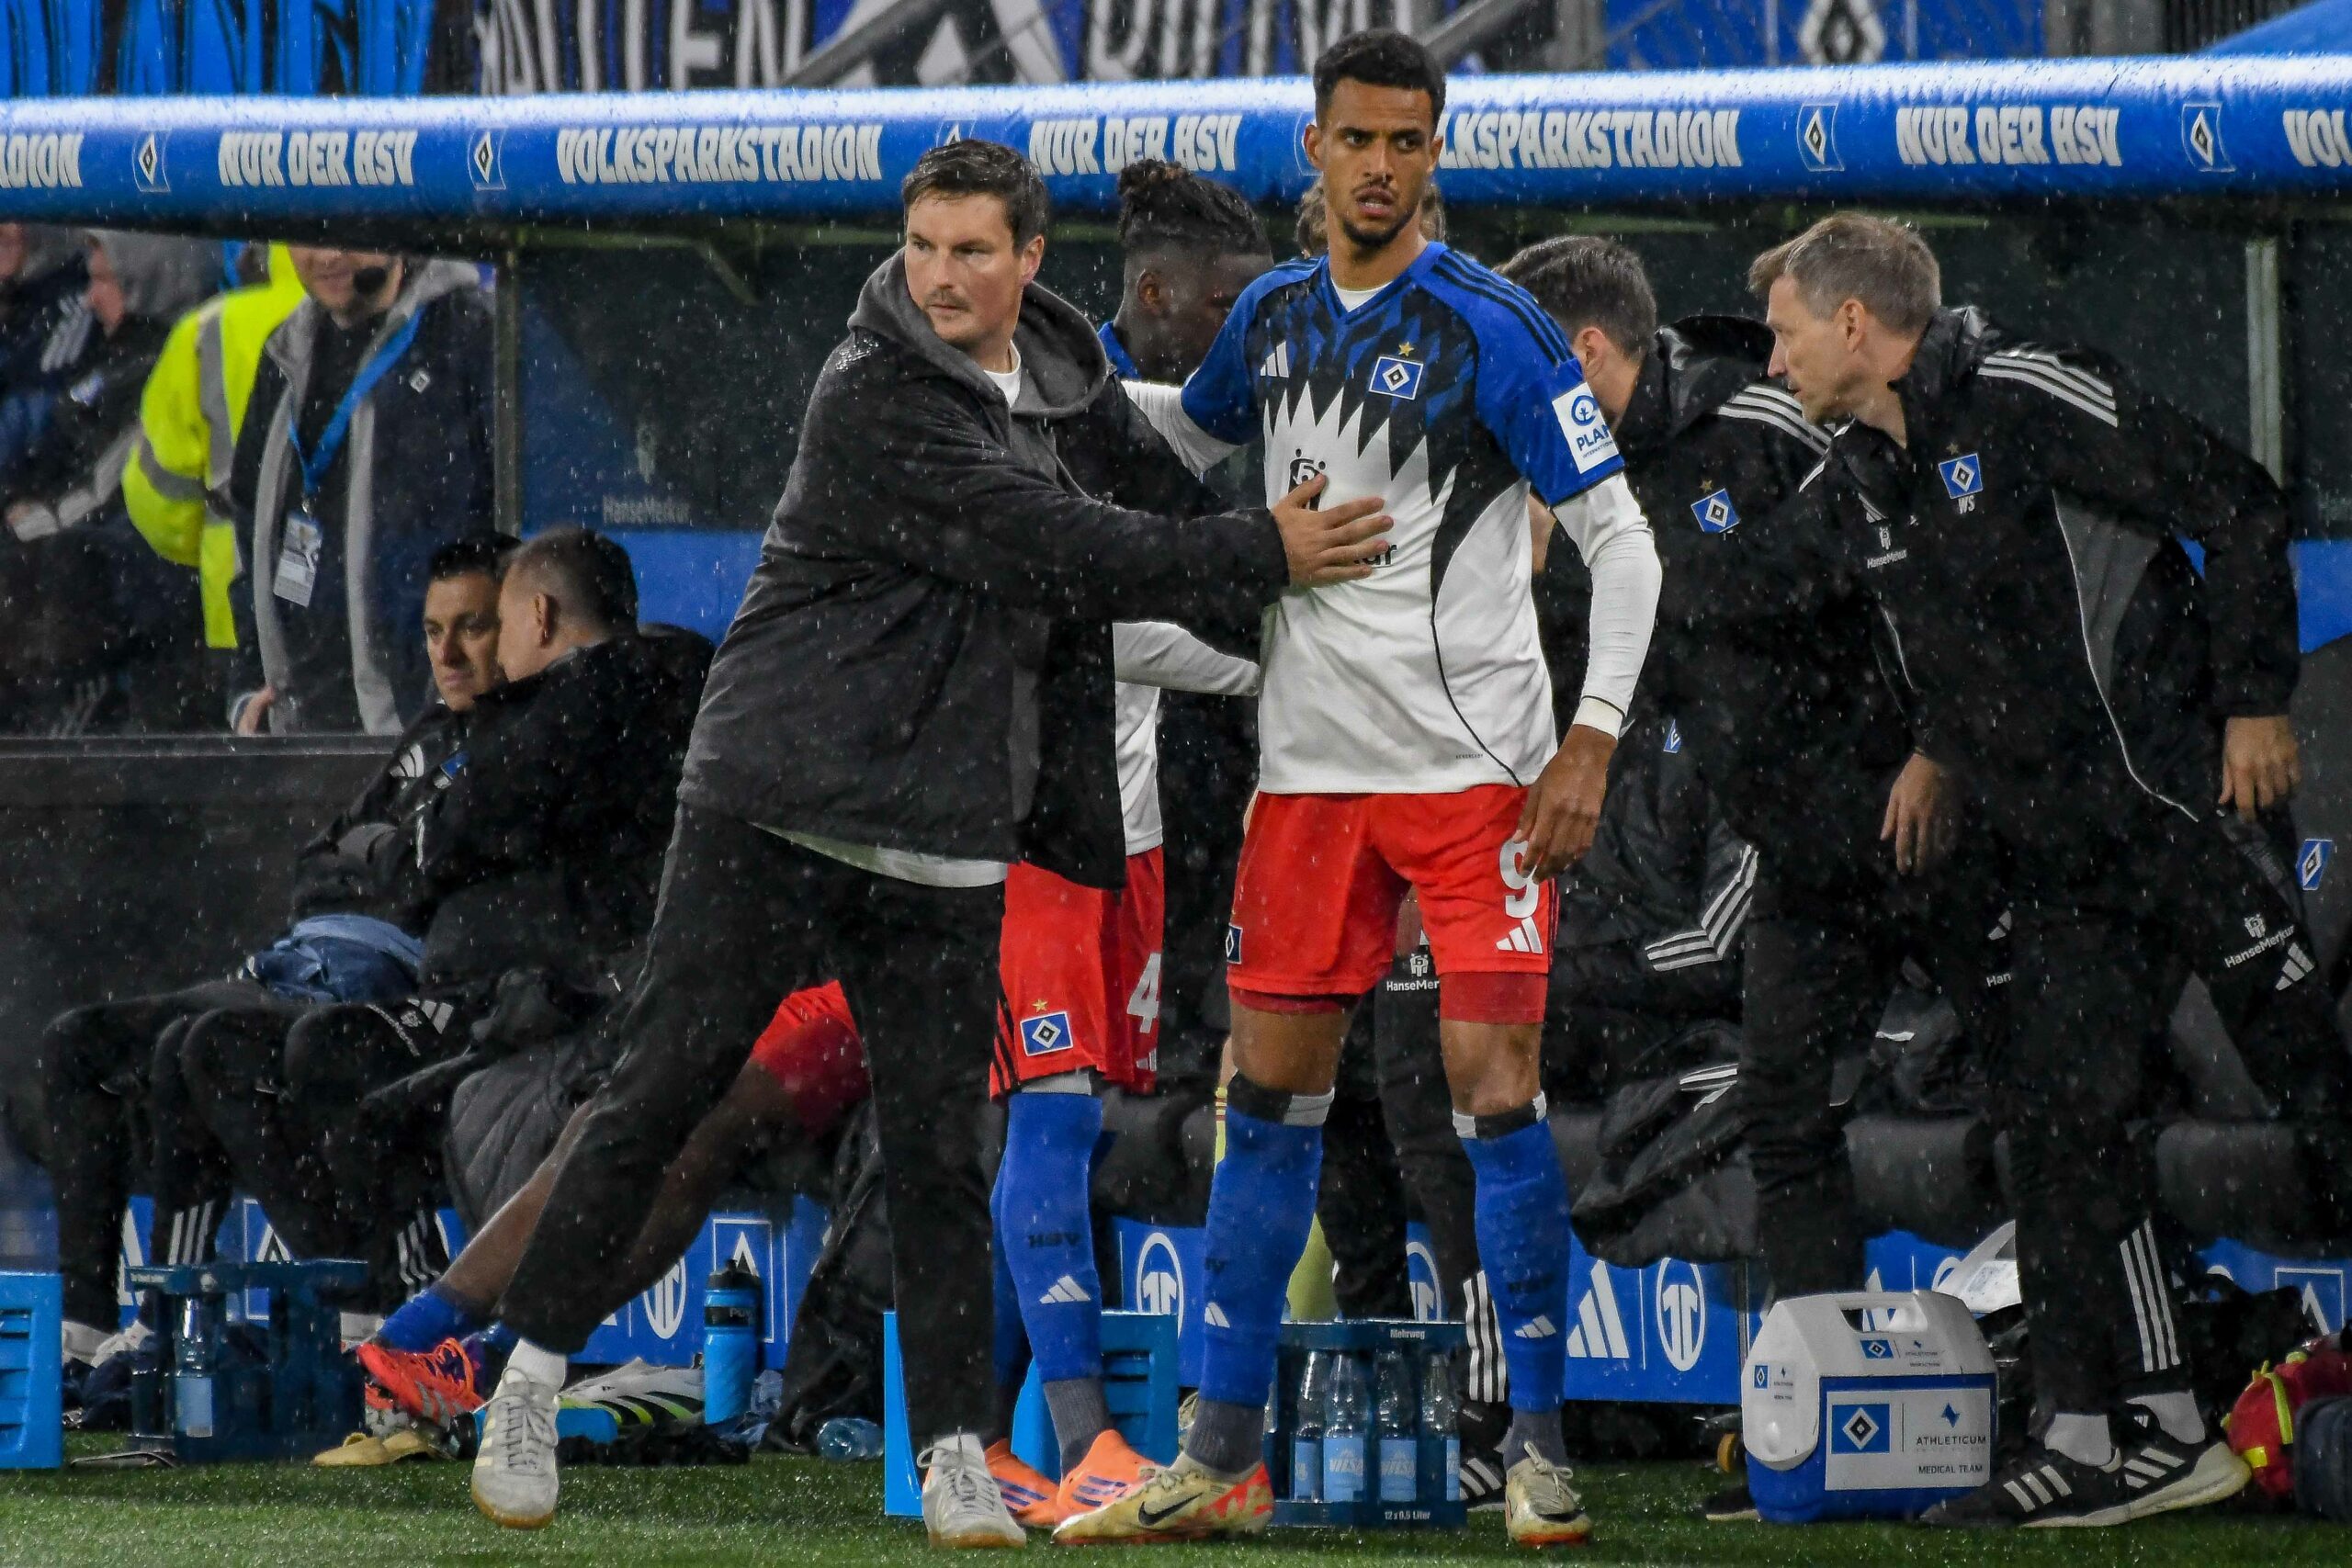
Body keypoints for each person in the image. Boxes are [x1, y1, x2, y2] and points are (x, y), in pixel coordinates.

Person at [462, 139, 1387, 1546]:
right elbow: (1068, 547)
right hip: (777, 794)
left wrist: (1328, 633)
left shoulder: (1065, 369)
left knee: (942, 1142)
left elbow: (1154, 496)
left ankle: (957, 1447)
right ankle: (526, 1381)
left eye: (973, 250)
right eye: (924, 247)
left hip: (944, 820)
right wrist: (1266, 556)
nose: (942, 276)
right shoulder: (873, 391)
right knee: (657, 1093)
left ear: (1030, 260)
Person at [1063, 31, 1661, 1548]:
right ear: (1317, 150)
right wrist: (1035, 389)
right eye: (1358, 139)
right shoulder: (1270, 312)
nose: (1382, 165)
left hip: (1474, 779)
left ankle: (1538, 1449)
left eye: (1408, 140)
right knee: (1268, 1100)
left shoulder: (1496, 329)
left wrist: (1590, 740)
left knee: (1495, 1095)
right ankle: (1218, 1451)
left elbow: (1626, 544)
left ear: (1434, 154)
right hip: (1310, 777)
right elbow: (1186, 425)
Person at [1753, 211, 2341, 1526]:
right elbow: (1940, 624)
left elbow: (2239, 499)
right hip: (2065, 860)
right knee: (2059, 1123)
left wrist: (2255, 701)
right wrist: (1937, 747)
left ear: (1854, 322)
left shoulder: (2023, 390)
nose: (1775, 363)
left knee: (2323, 1086)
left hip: (2184, 817)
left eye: (1785, 334)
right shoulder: (1865, 469)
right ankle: (2111, 1430)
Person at [167, 527, 707, 1318]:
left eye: (491, 625)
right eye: (432, 631)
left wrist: (410, 849)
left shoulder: (582, 699)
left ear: (539, 616)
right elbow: (399, 850)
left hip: (551, 1007)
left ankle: (406, 1313)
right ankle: (363, 1312)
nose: (474, 658)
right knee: (215, 1046)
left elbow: (443, 844)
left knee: (332, 1062)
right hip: (528, 998)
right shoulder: (640, 690)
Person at [28, 533, 507, 1372]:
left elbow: (425, 878)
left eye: (472, 627)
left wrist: (377, 860)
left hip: (375, 981)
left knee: (198, 1046)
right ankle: (86, 1331)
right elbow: (321, 859)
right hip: (297, 955)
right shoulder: (431, 732)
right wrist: (377, 859)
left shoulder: (527, 742)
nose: (449, 654)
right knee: (77, 1041)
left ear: (523, 623)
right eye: (434, 631)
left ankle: (190, 1318)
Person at [985, 158, 1271, 1528]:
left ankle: (986, 1437)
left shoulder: (1153, 418)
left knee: (1070, 1125)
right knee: (1047, 1116)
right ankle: (1085, 1440)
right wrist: (1286, 664)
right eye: (1224, 310)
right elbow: (1084, 625)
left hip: (1129, 837)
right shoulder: (1028, 415)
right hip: (1030, 826)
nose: (1238, 339)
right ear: (1154, 294)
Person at [345, 981, 868, 1456]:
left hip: (871, 1009)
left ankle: (496, 1357)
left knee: (695, 1130)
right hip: (809, 992)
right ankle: (406, 1341)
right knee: (610, 1115)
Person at [228, 245, 495, 736]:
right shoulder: (286, 350)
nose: (329, 254)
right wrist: (250, 684)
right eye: (310, 234)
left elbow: (515, 541)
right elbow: (249, 530)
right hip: (308, 727)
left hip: (429, 728)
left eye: (350, 231)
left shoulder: (470, 335)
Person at [1, 231, 220, 732]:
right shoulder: (110, 360)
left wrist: (19, 532)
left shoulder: (158, 366)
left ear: (149, 283)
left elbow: (101, 488)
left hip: (125, 608)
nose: (90, 298)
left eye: (104, 281)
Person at [124, 242, 306, 660]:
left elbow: (157, 499)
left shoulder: (210, 327)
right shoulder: (385, 315)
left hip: (237, 601)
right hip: (366, 610)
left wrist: (215, 540)